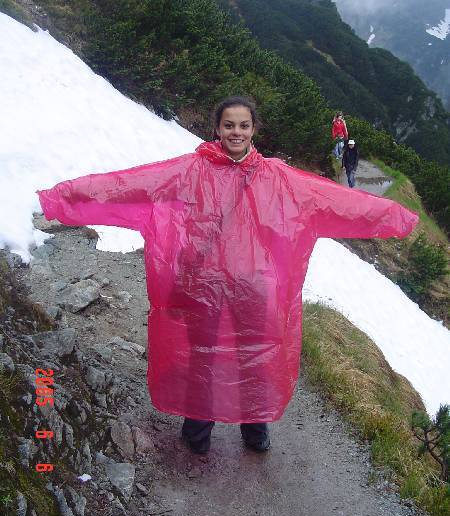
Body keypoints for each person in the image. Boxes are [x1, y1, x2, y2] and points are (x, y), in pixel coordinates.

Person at [37, 96, 418, 455]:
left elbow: (338, 202)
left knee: (256, 355)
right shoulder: (190, 170)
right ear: (217, 128)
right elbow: (129, 185)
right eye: (229, 125)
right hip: (202, 284)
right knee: (201, 356)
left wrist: (395, 217)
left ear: (254, 129)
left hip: (253, 286)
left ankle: (255, 427)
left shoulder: (278, 177)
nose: (236, 132)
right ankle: (197, 430)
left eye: (244, 125)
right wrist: (68, 196)